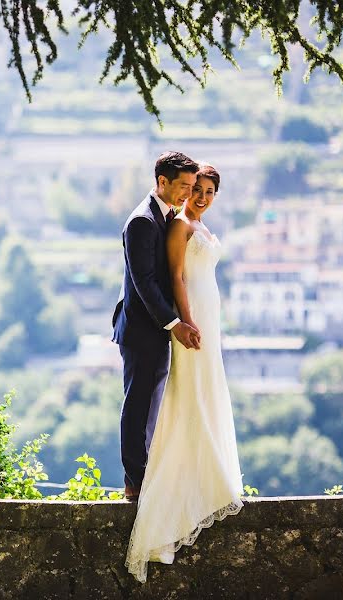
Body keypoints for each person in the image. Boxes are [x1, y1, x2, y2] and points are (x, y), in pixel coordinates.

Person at [124, 163, 245, 583]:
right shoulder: (157, 222)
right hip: (169, 323)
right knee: (162, 398)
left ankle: (206, 475)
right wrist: (182, 322)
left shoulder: (186, 219)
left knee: (200, 395)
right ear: (167, 184)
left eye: (205, 189)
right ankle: (143, 484)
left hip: (202, 319)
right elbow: (162, 278)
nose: (198, 195)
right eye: (193, 188)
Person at [112, 151, 202, 505]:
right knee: (138, 404)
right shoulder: (142, 221)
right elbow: (145, 282)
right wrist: (175, 323)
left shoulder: (165, 217)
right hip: (139, 330)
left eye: (192, 186)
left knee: (151, 404)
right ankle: (135, 482)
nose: (187, 193)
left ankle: (146, 475)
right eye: (183, 186)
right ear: (161, 181)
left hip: (156, 329)